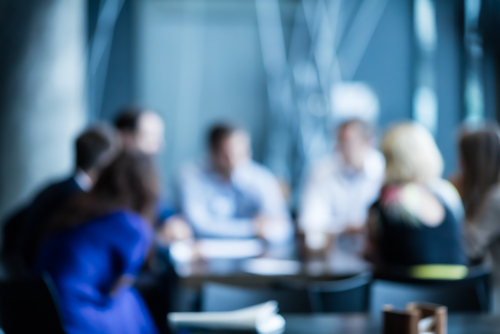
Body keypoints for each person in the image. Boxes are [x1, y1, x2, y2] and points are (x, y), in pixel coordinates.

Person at [34, 150, 160, 334]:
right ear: (147, 187)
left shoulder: (78, 206)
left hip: (38, 309)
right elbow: (117, 289)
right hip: (74, 315)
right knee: (131, 299)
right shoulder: (133, 226)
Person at [1, 125, 119, 275]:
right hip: (42, 281)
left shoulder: (55, 186)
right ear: (106, 163)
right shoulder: (78, 201)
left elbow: (11, 223)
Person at [365, 122, 466, 279]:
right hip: (459, 292)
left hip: (408, 293)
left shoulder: (386, 201)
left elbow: (374, 255)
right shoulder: (445, 192)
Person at [177, 123, 293, 242]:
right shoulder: (191, 176)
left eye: (242, 154)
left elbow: (284, 226)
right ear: (212, 152)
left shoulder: (261, 177)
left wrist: (270, 230)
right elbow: (199, 227)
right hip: (205, 253)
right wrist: (251, 228)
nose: (235, 162)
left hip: (255, 253)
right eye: (227, 155)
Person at [299, 119, 385, 251]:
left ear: (368, 142)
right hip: (332, 255)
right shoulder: (321, 172)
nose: (342, 148)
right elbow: (309, 224)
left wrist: (335, 226)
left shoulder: (383, 171)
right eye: (340, 142)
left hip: (375, 255)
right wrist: (350, 228)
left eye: (349, 142)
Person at [454, 125, 500, 310]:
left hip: (494, 298)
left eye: (463, 156)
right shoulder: (481, 192)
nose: (459, 162)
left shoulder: (496, 198)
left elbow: (467, 246)